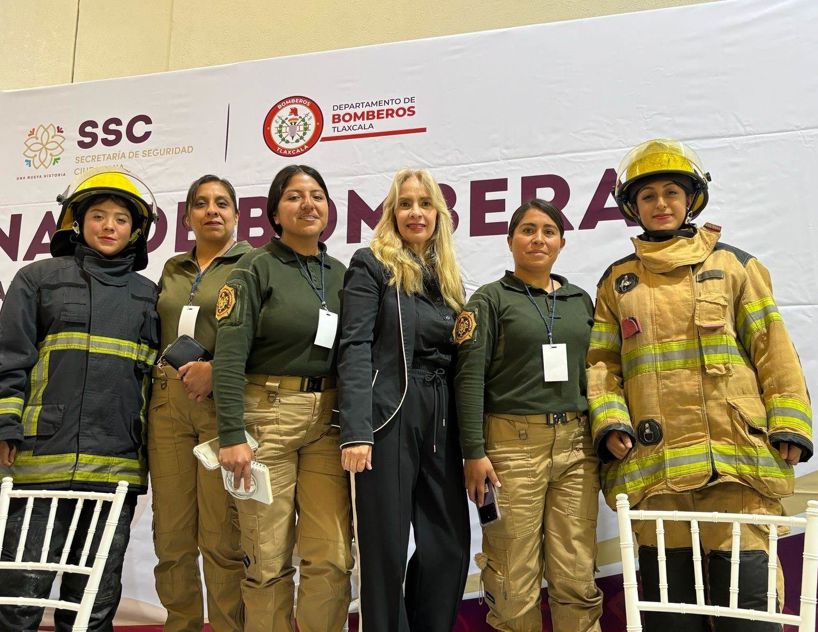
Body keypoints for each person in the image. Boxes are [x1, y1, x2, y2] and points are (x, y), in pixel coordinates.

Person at [587, 138, 813, 632]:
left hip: (736, 469)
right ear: (633, 207)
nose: (661, 204)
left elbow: (774, 350)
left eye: (671, 192)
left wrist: (791, 425)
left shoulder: (734, 266)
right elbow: (603, 365)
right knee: (672, 619)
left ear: (691, 199)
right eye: (648, 196)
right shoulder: (617, 282)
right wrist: (610, 424)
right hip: (656, 474)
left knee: (749, 616)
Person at [0, 167, 159, 631]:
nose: (109, 226)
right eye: (98, 216)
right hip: (40, 461)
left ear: (137, 232)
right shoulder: (37, 279)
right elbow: (10, 360)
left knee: (93, 600)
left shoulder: (150, 296)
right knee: (18, 595)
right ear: (76, 221)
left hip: (116, 466)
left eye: (120, 220)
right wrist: (6, 427)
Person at [212, 165, 352, 632]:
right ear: (275, 212)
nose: (308, 204)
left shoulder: (341, 273)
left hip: (327, 421)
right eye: (294, 197)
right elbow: (228, 359)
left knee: (331, 556)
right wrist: (232, 434)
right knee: (267, 558)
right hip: (265, 419)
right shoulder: (254, 267)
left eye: (317, 195)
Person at [454, 199, 603, 632]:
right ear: (510, 240)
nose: (538, 239)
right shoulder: (489, 301)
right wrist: (473, 453)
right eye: (528, 230)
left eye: (548, 231)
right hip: (509, 451)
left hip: (577, 448)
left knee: (576, 571)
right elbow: (469, 381)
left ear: (561, 242)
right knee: (512, 575)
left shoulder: (580, 300)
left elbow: (597, 372)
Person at [338, 168, 470, 631]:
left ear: (439, 214)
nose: (416, 212)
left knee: (448, 545)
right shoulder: (371, 264)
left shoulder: (448, 279)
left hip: (442, 414)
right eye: (406, 203)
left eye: (425, 203)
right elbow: (353, 346)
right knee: (386, 551)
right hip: (390, 411)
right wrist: (356, 430)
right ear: (392, 213)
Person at [148, 174, 251, 631]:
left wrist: (219, 369)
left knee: (222, 534)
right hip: (167, 404)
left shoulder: (254, 263)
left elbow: (267, 335)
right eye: (202, 204)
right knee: (171, 535)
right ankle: (181, 625)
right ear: (187, 216)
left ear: (236, 214)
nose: (213, 210)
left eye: (222, 203)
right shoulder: (172, 268)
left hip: (221, 402)